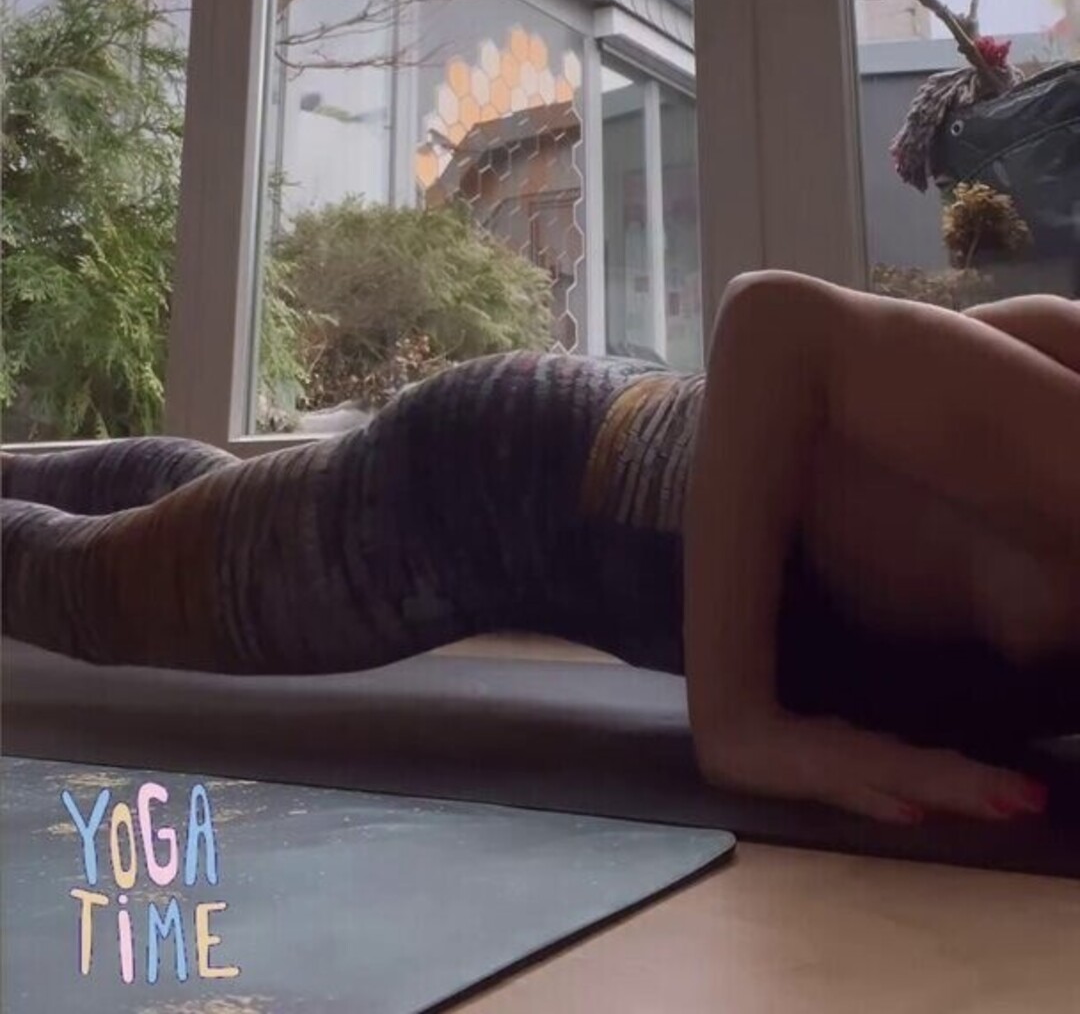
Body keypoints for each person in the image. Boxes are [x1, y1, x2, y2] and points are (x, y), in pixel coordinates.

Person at [3, 272, 1078, 826]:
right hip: (492, 488)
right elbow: (775, 321)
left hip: (563, 460)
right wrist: (742, 726)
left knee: (196, 510)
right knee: (87, 588)